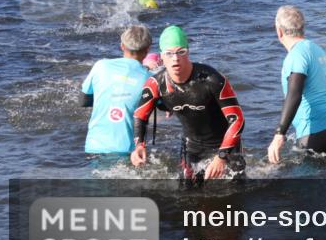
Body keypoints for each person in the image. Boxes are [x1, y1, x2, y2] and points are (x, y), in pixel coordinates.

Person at [131, 26, 247, 183]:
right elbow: (140, 115)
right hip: (191, 146)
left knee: (236, 192)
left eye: (181, 52)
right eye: (169, 54)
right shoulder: (155, 84)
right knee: (186, 195)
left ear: (188, 52)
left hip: (226, 145)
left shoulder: (211, 79)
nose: (175, 59)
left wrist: (222, 156)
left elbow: (237, 120)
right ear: (161, 57)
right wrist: (139, 145)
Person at [267, 5, 326, 163]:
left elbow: (294, 95)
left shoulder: (296, 55)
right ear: (302, 28)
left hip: (314, 133)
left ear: (279, 31)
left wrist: (279, 134)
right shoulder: (317, 49)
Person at [81, 26, 153, 155]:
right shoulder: (150, 79)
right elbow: (162, 106)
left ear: (122, 46)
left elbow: (84, 101)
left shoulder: (100, 66)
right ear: (147, 51)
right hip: (129, 151)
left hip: (94, 146)